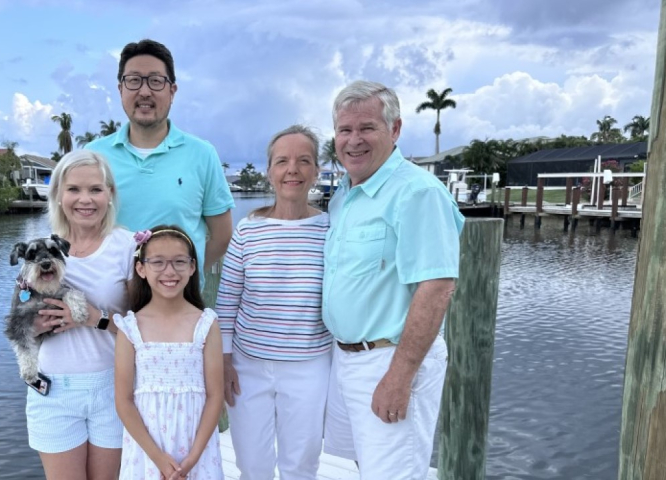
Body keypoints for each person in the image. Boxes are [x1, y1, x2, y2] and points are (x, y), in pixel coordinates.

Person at [321, 80, 464, 479]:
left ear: (395, 130)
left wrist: (399, 377)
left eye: (367, 128)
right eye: (344, 130)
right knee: (364, 466)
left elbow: (437, 288)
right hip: (345, 359)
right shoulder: (345, 196)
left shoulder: (417, 193)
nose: (354, 140)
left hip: (390, 360)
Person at [216, 125, 332, 479]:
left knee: (302, 463)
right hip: (248, 367)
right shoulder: (248, 229)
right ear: (269, 171)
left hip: (310, 366)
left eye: (303, 161)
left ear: (316, 171)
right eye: (282, 161)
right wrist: (224, 361)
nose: (292, 170)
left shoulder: (332, 229)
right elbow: (227, 301)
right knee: (252, 464)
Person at [86, 39, 235, 279]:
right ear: (120, 89)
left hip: (178, 308)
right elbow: (74, 230)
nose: (144, 91)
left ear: (172, 91)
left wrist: (182, 278)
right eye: (134, 80)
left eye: (155, 81)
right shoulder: (92, 156)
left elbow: (221, 236)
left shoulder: (202, 154)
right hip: (109, 304)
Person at [28, 150, 136, 480]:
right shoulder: (39, 248)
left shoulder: (128, 246)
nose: (84, 199)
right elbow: (19, 320)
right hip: (52, 389)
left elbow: (145, 329)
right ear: (59, 195)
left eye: (95, 189)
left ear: (110, 195)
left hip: (111, 387)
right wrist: (34, 325)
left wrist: (96, 318)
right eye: (74, 189)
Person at [114, 225, 224, 479]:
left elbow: (215, 396)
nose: (170, 271)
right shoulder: (130, 327)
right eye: (158, 262)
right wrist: (160, 460)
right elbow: (123, 400)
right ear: (141, 269)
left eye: (179, 262)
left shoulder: (206, 323)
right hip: (148, 452)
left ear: (192, 267)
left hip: (197, 450)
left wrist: (192, 458)